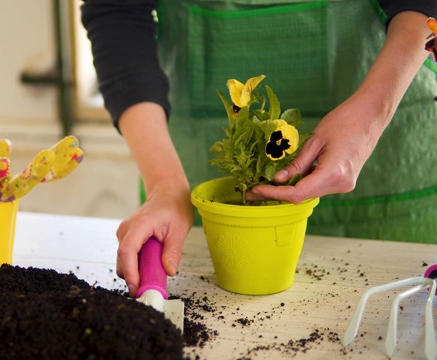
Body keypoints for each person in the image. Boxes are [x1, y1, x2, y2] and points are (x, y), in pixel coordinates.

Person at [81, 0, 437, 297]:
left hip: (387, 124)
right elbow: (117, 11)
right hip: (186, 157)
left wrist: (372, 115)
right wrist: (166, 186)